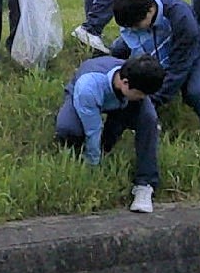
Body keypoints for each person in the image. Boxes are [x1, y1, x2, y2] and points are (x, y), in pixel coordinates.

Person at [110, 0, 200, 145]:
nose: (132, 30)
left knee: (195, 92)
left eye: (136, 26)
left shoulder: (183, 22)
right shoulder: (135, 9)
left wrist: (150, 99)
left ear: (151, 11)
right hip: (152, 46)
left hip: (193, 53)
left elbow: (178, 70)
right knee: (117, 49)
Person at [55, 54, 165, 213]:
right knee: (69, 129)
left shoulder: (136, 78)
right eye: (141, 94)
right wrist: (93, 165)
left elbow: (141, 101)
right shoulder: (88, 87)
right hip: (87, 95)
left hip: (121, 97)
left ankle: (145, 184)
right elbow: (93, 130)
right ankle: (82, 149)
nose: (143, 98)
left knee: (149, 119)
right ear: (125, 83)